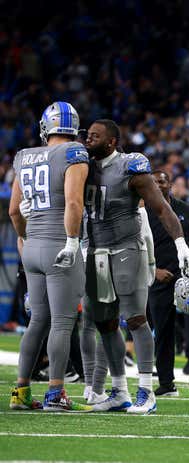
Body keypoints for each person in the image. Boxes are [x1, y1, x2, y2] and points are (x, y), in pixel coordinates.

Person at [83, 120, 189, 414]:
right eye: (86, 134)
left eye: (94, 136)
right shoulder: (82, 165)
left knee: (135, 319)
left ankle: (147, 390)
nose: (87, 139)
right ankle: (119, 390)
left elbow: (161, 208)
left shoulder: (129, 167)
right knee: (105, 323)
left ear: (111, 142)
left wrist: (181, 244)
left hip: (126, 249)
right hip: (96, 252)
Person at [8, 101, 92, 412]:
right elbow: (73, 203)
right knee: (62, 321)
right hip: (60, 244)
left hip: (32, 247)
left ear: (45, 127)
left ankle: (21, 392)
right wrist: (72, 241)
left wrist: (24, 237)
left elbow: (14, 210)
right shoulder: (74, 152)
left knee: (37, 321)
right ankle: (56, 393)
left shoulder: (24, 156)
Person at [148, 171, 189, 395]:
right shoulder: (143, 212)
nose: (158, 185)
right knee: (163, 331)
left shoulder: (186, 210)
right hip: (160, 280)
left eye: (161, 181)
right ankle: (166, 382)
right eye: (153, 182)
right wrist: (154, 272)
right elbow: (138, 248)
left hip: (187, 279)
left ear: (169, 184)